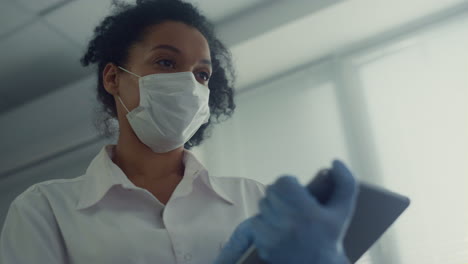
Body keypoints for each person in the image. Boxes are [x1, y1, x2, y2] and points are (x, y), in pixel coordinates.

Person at [0, 0, 358, 263]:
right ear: (113, 78)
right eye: (166, 62)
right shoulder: (46, 209)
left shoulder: (254, 201)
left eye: (201, 74)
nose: (188, 84)